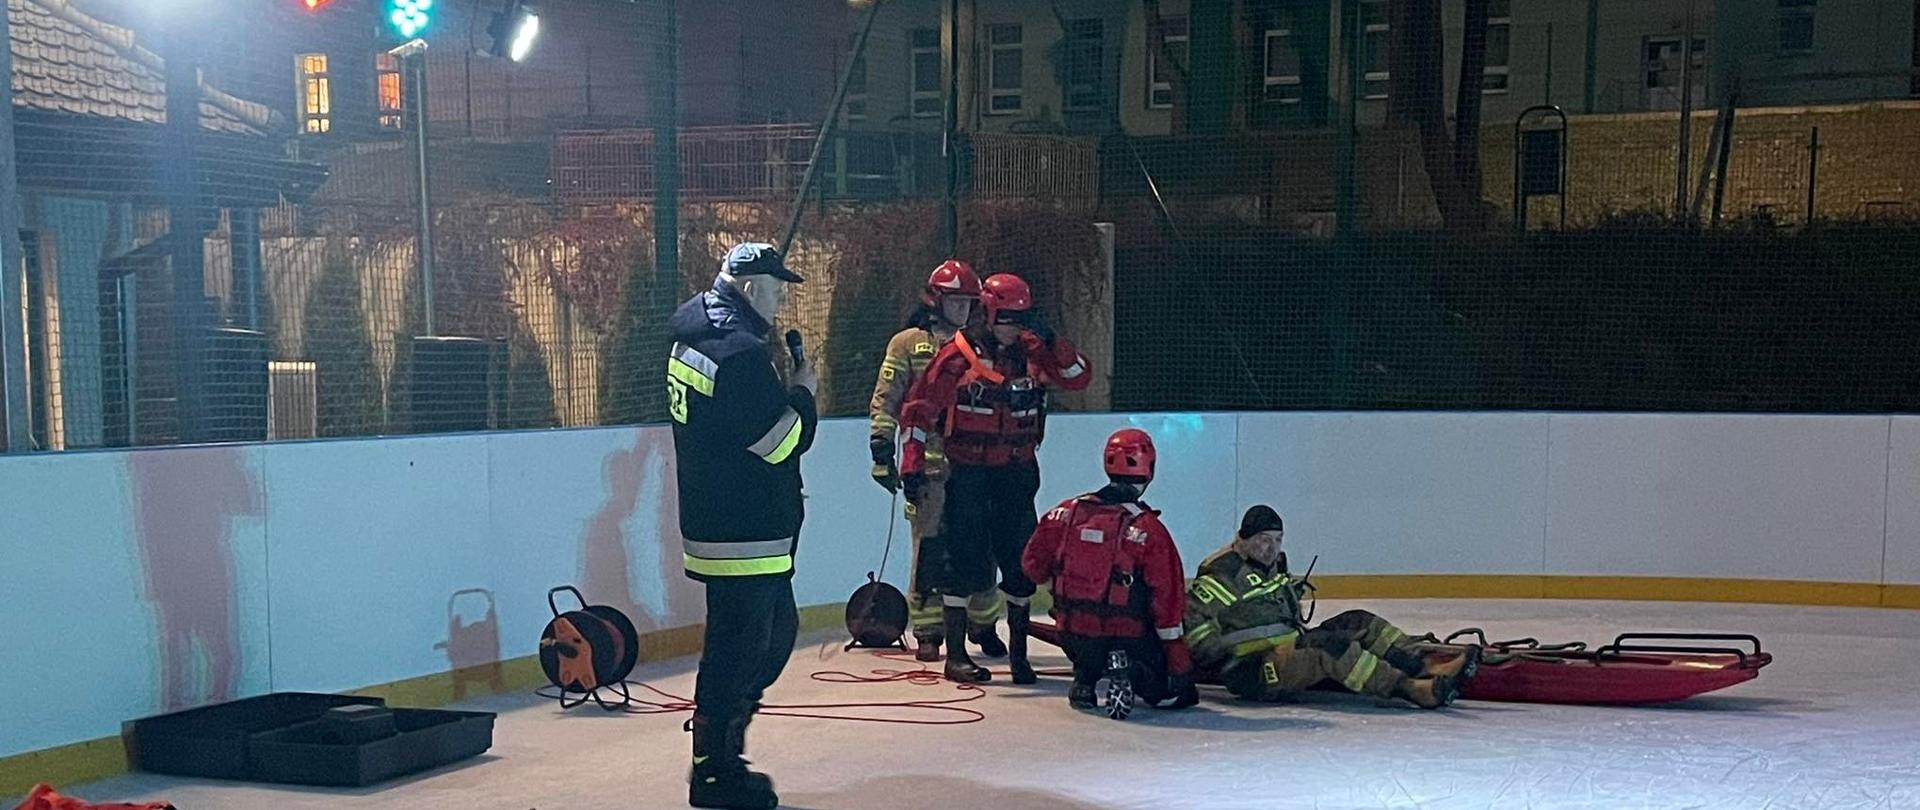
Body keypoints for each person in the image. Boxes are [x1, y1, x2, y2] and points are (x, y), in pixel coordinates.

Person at [666, 242, 819, 810]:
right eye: (777, 290)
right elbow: (778, 443)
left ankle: (722, 755)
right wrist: (805, 392)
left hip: (723, 521)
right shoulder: (739, 352)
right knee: (743, 649)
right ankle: (715, 772)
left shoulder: (698, 332)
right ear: (751, 289)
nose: (781, 301)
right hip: (745, 529)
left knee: (765, 638)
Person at [900, 273, 1093, 684]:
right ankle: (955, 656)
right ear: (987, 313)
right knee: (963, 557)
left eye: (1021, 317)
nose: (1012, 325)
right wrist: (911, 462)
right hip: (968, 470)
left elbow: (1078, 376)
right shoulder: (958, 354)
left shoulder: (1034, 352)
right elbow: (919, 410)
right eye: (1005, 317)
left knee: (1020, 560)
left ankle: (1019, 658)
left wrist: (1052, 338)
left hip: (1017, 472)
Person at [1183, 505, 1480, 710]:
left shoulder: (1274, 564)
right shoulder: (1224, 572)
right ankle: (1407, 687)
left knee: (1358, 621)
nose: (1271, 548)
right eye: (1263, 540)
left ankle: (1422, 664)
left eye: (1277, 539)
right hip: (1255, 668)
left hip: (1288, 649)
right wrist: (1223, 664)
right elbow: (1194, 621)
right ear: (1244, 540)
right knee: (1328, 647)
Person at [867, 259, 1006, 663]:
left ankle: (983, 625)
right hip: (926, 469)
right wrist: (881, 450)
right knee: (928, 549)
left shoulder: (984, 344)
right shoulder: (907, 344)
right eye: (955, 301)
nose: (963, 309)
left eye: (969, 302)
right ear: (935, 300)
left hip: (976, 466)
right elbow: (886, 399)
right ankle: (928, 631)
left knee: (983, 547)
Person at [1021, 428, 1198, 718]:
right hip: (1129, 634)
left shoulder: (1065, 513)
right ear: (1150, 467)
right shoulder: (1148, 529)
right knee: (1177, 694)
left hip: (1074, 632)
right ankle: (1126, 667)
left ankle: (1084, 680)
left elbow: (1032, 564)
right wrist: (1177, 660)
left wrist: (1060, 588)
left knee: (1087, 642)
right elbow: (1168, 597)